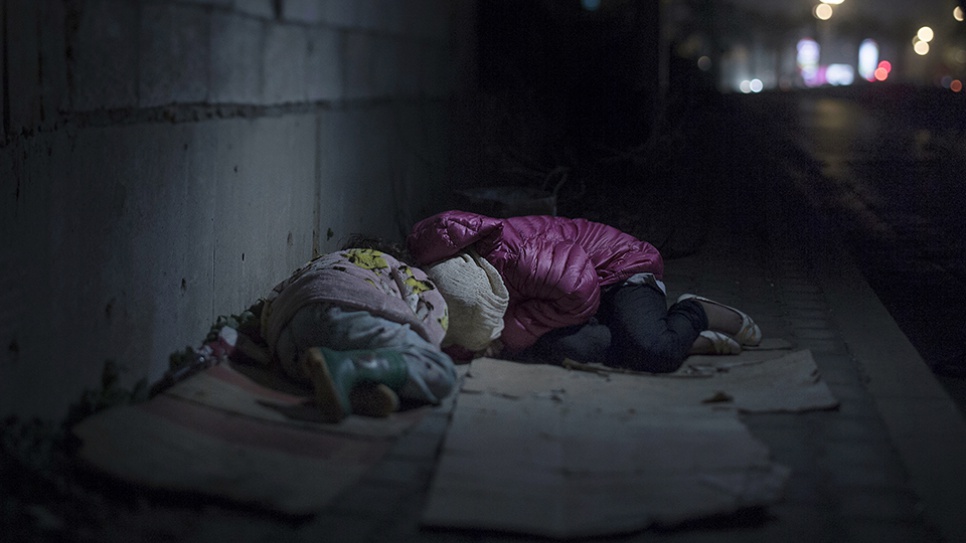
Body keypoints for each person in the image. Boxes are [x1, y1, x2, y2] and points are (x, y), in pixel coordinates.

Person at [406, 210, 761, 373]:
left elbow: (580, 289)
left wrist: (508, 335)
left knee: (655, 353)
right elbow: (462, 329)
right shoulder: (447, 275)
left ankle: (694, 312)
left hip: (618, 272)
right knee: (561, 346)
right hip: (564, 301)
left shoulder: (519, 258)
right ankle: (672, 336)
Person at [259, 245, 458, 422]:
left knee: (326, 364)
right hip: (347, 313)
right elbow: (432, 315)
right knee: (440, 369)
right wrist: (425, 350)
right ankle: (351, 367)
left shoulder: (316, 263)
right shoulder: (398, 267)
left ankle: (351, 386)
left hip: (289, 341)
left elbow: (270, 303)